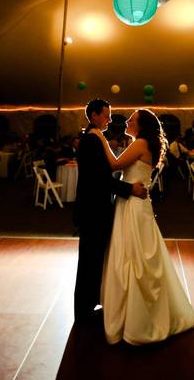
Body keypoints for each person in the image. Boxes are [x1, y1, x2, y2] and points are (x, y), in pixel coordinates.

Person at [89, 108, 194, 345]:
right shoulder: (143, 143)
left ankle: (136, 316)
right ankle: (136, 311)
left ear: (141, 125)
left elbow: (115, 164)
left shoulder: (140, 144)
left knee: (133, 255)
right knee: (139, 254)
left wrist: (100, 138)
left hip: (132, 208)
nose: (127, 121)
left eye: (132, 119)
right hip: (136, 203)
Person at [73, 99, 147, 326]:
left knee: (94, 259)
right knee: (89, 260)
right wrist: (129, 189)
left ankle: (89, 305)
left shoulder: (96, 138)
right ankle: (83, 312)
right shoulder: (91, 141)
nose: (109, 118)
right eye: (106, 114)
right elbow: (99, 179)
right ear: (94, 115)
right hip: (92, 211)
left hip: (95, 209)